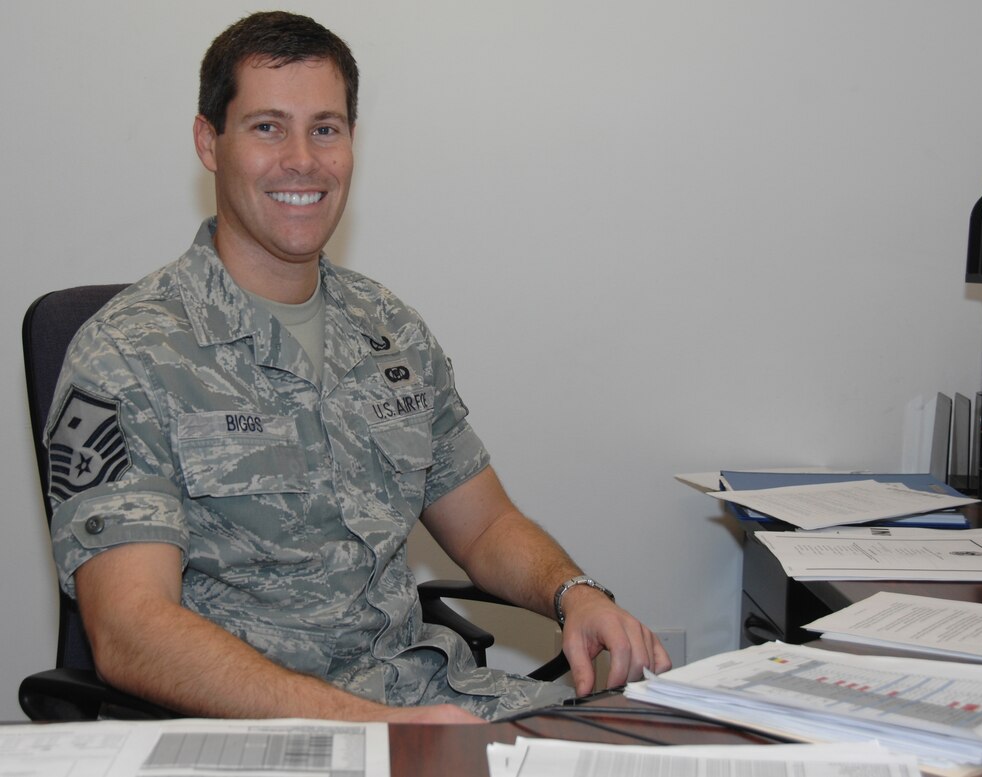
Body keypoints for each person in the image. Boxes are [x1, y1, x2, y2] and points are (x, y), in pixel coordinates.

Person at [46, 10, 670, 724]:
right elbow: (131, 632)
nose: (303, 160)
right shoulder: (127, 351)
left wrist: (575, 592)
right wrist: (376, 728)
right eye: (267, 126)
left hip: (431, 699)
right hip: (248, 733)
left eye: (326, 128)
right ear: (208, 142)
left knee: (666, 736)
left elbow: (487, 525)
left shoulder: (388, 329)